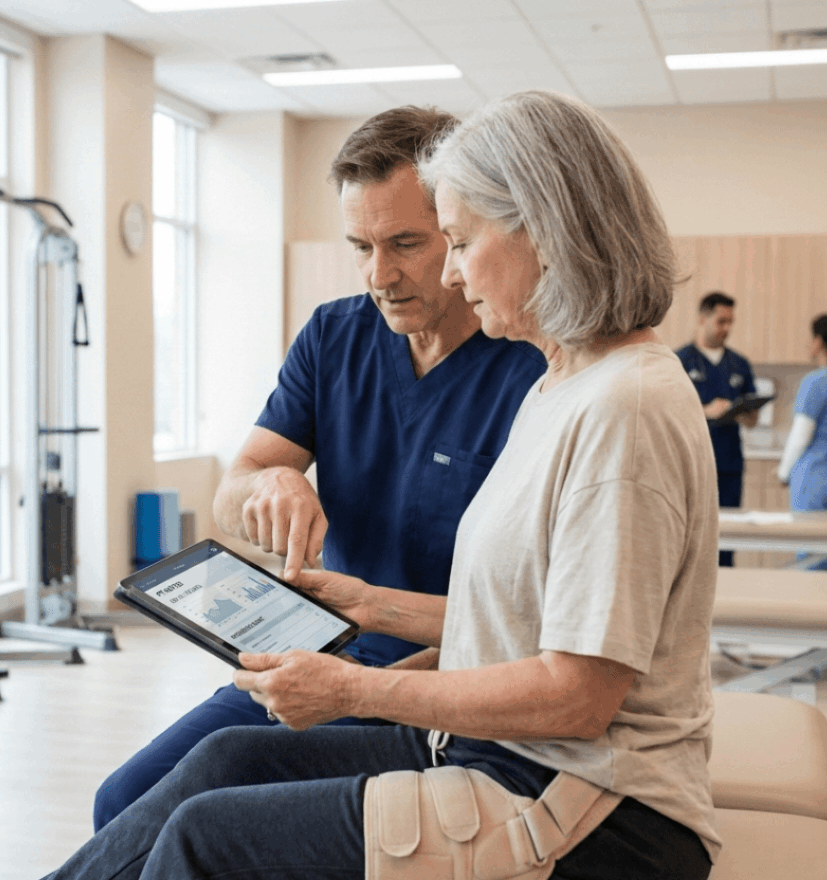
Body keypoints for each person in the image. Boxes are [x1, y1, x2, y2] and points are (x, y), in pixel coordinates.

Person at [0, 90, 720, 880]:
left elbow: (579, 692)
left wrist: (359, 690)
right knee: (215, 766)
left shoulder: (619, 410)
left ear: (544, 228)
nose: (448, 269)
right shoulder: (566, 384)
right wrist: (372, 606)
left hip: (587, 809)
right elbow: (530, 622)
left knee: (203, 837)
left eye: (452, 239)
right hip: (511, 752)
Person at [91, 108, 546, 834]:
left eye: (405, 244)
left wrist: (377, 687)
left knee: (210, 819)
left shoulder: (532, 367)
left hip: (452, 679)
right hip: (323, 651)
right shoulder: (335, 336)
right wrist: (268, 486)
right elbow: (231, 494)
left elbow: (540, 618)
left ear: (463, 233)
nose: (379, 275)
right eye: (360, 246)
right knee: (124, 803)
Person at [675, 292, 758, 565]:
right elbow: (667, 414)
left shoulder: (739, 364)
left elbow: (753, 419)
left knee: (726, 538)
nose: (726, 329)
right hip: (691, 464)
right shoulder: (680, 361)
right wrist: (706, 410)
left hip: (729, 464)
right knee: (688, 539)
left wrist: (743, 414)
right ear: (703, 319)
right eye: (721, 321)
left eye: (730, 322)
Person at [778, 314, 827, 568]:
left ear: (819, 342)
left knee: (813, 558)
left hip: (816, 483)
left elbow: (800, 437)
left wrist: (783, 472)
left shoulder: (816, 383)